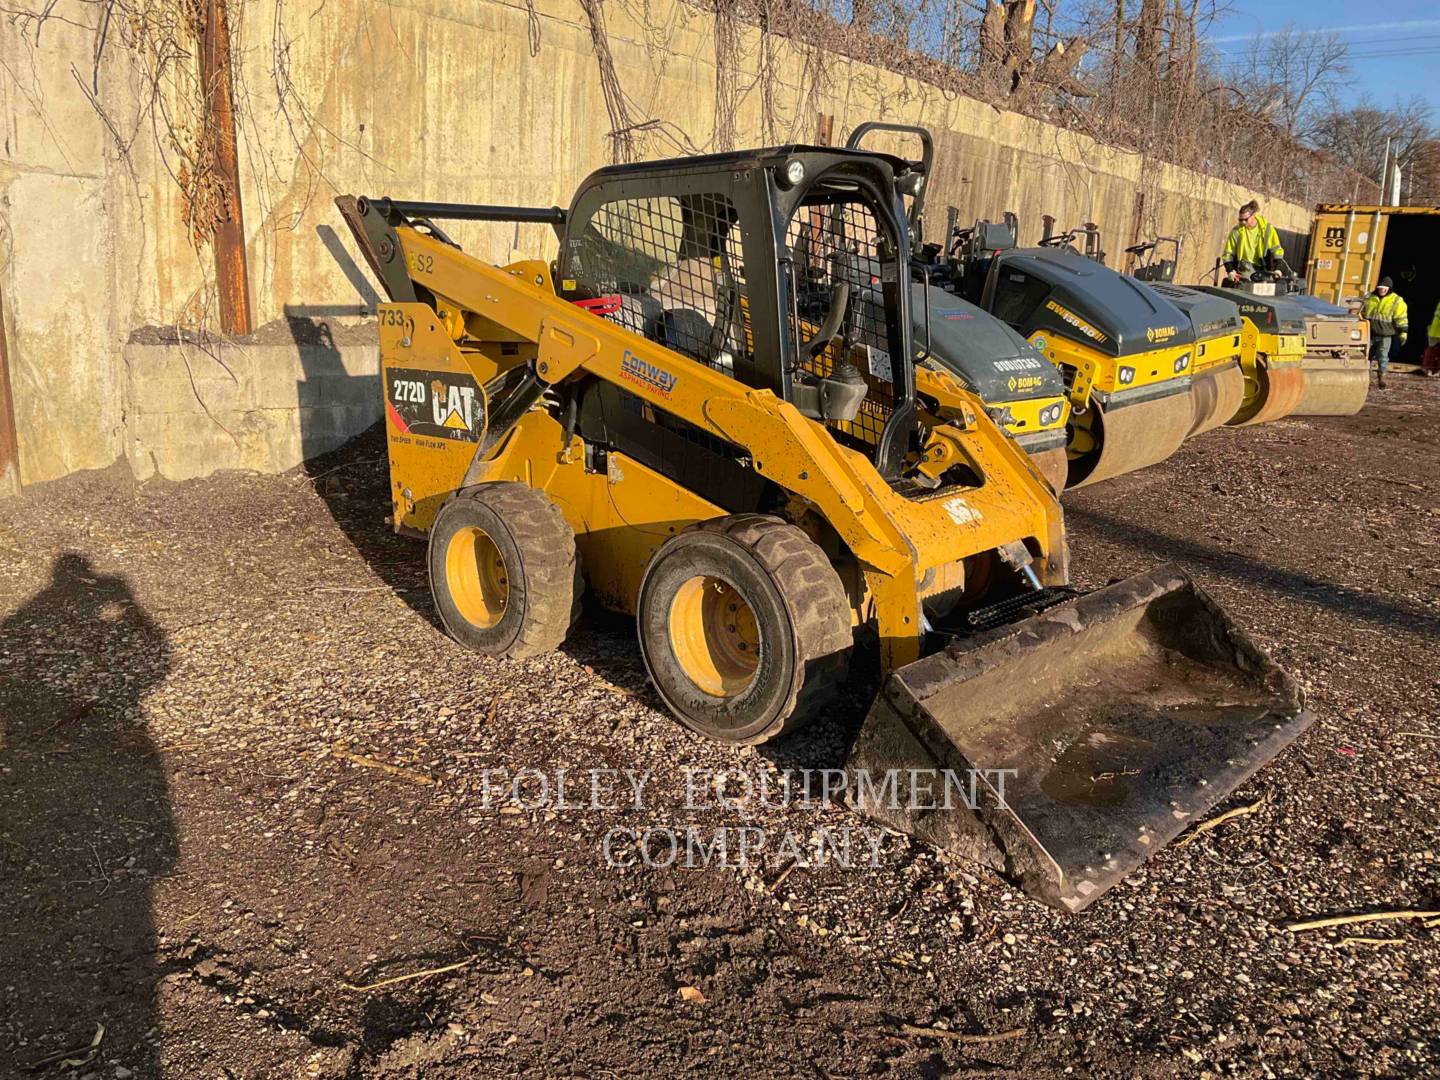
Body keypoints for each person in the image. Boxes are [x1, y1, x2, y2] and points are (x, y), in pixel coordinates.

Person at [1361, 277, 1408, 389]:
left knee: (1382, 357)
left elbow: (1401, 318)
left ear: (1389, 289)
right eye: (1380, 288)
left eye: (1384, 288)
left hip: (1385, 335)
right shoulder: (1369, 298)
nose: (1382, 290)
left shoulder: (1396, 301)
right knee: (1366, 357)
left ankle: (1382, 378)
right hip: (1369, 334)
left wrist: (1403, 332)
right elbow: (1362, 313)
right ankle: (1365, 378)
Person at [1223, 200, 1284, 282]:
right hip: (1244, 268)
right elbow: (1227, 254)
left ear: (1254, 215)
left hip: (1263, 270)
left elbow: (1277, 251)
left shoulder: (1267, 230)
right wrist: (1230, 271)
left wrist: (1278, 269)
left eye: (1245, 219)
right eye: (1240, 220)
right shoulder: (1237, 231)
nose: (1243, 222)